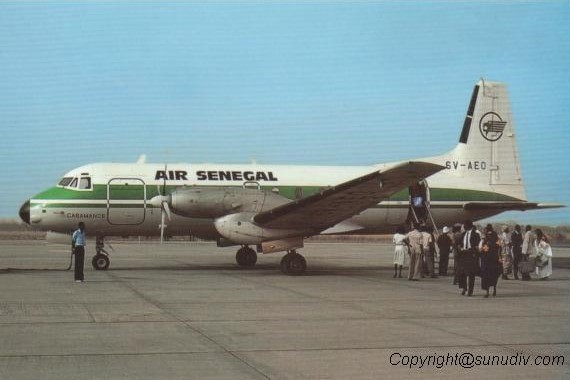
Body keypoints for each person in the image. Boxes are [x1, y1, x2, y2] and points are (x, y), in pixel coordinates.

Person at [457, 220, 481, 296]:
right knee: (462, 272)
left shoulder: (476, 234)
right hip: (463, 254)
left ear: (469, 226)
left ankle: (470, 290)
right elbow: (458, 243)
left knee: (471, 274)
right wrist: (460, 248)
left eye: (465, 225)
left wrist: (475, 253)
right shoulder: (463, 234)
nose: (464, 227)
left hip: (471, 254)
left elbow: (478, 245)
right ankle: (464, 288)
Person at [479, 224, 501, 298]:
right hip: (494, 259)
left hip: (487, 259)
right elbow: (499, 246)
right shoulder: (496, 236)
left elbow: (485, 248)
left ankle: (487, 292)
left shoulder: (486, 238)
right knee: (494, 275)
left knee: (486, 276)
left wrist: (481, 250)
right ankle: (494, 289)